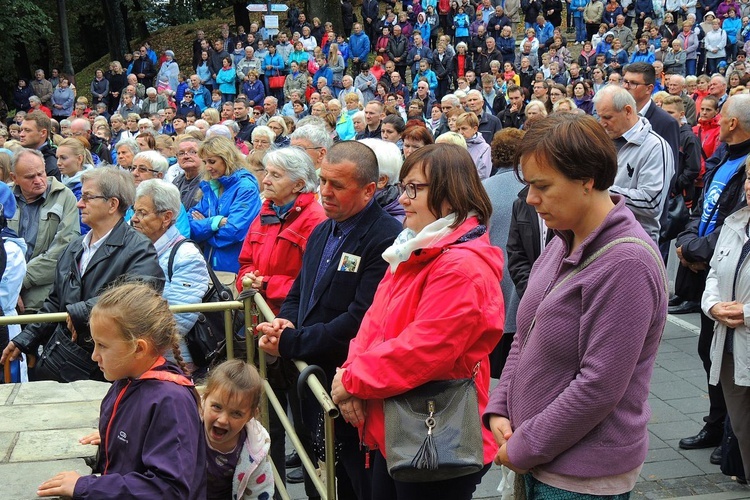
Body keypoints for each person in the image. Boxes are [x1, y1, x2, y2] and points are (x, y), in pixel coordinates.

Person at [484, 113, 668, 498]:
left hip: (579, 477)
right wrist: (501, 405)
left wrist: (524, 445)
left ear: (587, 181)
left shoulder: (626, 264)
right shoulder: (561, 240)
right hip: (539, 458)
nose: (531, 199)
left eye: (542, 186)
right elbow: (526, 333)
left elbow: (599, 386)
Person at [329, 143, 504, 500]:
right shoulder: (415, 247)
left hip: (433, 429)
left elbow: (426, 349)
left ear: (450, 193)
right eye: (403, 187)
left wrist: (352, 379)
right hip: (398, 420)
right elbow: (374, 322)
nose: (404, 198)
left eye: (415, 188)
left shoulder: (459, 264)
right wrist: (350, 373)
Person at [257, 141, 402, 500]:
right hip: (310, 379)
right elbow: (300, 290)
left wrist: (292, 342)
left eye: (337, 185)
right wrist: (285, 323)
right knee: (316, 478)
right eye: (322, 181)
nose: (324, 192)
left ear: (370, 189)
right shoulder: (323, 229)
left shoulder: (385, 238)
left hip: (347, 389)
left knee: (351, 484)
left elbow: (360, 320)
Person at [34, 282, 206, 498]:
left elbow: (168, 489)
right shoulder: (128, 380)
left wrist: (85, 487)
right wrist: (115, 432)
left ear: (139, 348)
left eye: (102, 346)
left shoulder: (171, 401)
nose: (94, 356)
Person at [0, 168, 164, 383]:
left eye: (87, 197)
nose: (79, 204)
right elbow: (55, 300)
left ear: (112, 204)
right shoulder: (75, 246)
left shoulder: (138, 248)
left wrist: (81, 312)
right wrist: (27, 338)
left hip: (105, 370)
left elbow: (140, 296)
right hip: (62, 360)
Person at [236, 147, 325, 492]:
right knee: (265, 413)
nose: (266, 179)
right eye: (266, 172)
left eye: (275, 175)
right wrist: (248, 278)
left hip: (292, 330)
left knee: (303, 417)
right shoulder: (264, 213)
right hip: (260, 324)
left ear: (299, 184)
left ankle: (314, 486)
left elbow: (312, 280)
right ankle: (269, 488)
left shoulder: (315, 219)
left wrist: (268, 283)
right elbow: (245, 259)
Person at [675, 94, 750, 463]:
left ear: (733, 123)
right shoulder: (724, 157)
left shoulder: (746, 165)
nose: (716, 121)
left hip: (726, 270)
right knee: (710, 353)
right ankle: (717, 423)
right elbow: (705, 206)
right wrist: (689, 242)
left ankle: (731, 435)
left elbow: (732, 222)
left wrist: (695, 251)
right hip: (708, 268)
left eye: (721, 117)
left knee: (731, 362)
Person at [702, 163, 750, 484]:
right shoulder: (734, 224)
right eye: (749, 178)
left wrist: (746, 313)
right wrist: (713, 306)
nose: (749, 186)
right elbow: (713, 275)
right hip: (732, 348)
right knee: (744, 433)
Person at [132, 179, 209, 372]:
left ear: (166, 217)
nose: (134, 218)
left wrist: (139, 348)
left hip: (171, 361)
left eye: (142, 213)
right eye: (135, 211)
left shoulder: (186, 256)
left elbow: (178, 320)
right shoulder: (138, 248)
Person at [594, 85, 674, 243]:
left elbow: (651, 203)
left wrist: (600, 191)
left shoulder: (655, 146)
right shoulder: (601, 140)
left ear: (628, 111)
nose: (602, 123)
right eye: (600, 117)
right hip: (601, 237)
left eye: (608, 117)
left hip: (635, 242)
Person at [8, 149, 80, 313]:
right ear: (14, 178)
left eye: (41, 173)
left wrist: (20, 281)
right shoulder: (4, 196)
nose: (39, 180)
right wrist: (8, 286)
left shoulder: (64, 196)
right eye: (30, 177)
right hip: (4, 293)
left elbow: (64, 248)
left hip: (44, 299)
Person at [201, 359, 274, 499]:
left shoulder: (255, 450)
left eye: (236, 413)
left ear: (251, 416)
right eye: (216, 407)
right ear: (204, 399)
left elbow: (260, 493)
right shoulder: (188, 428)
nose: (222, 420)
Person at [189, 136, 261, 273]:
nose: (208, 167)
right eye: (205, 162)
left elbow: (233, 232)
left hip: (233, 267)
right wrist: (214, 222)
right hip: (210, 264)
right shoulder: (212, 186)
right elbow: (189, 226)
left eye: (212, 161)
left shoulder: (245, 188)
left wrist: (205, 229)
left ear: (227, 159)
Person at [56, 138, 94, 235]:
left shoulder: (89, 187)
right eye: (57, 158)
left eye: (63, 158)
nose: (58, 163)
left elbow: (84, 226)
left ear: (79, 159)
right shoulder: (60, 184)